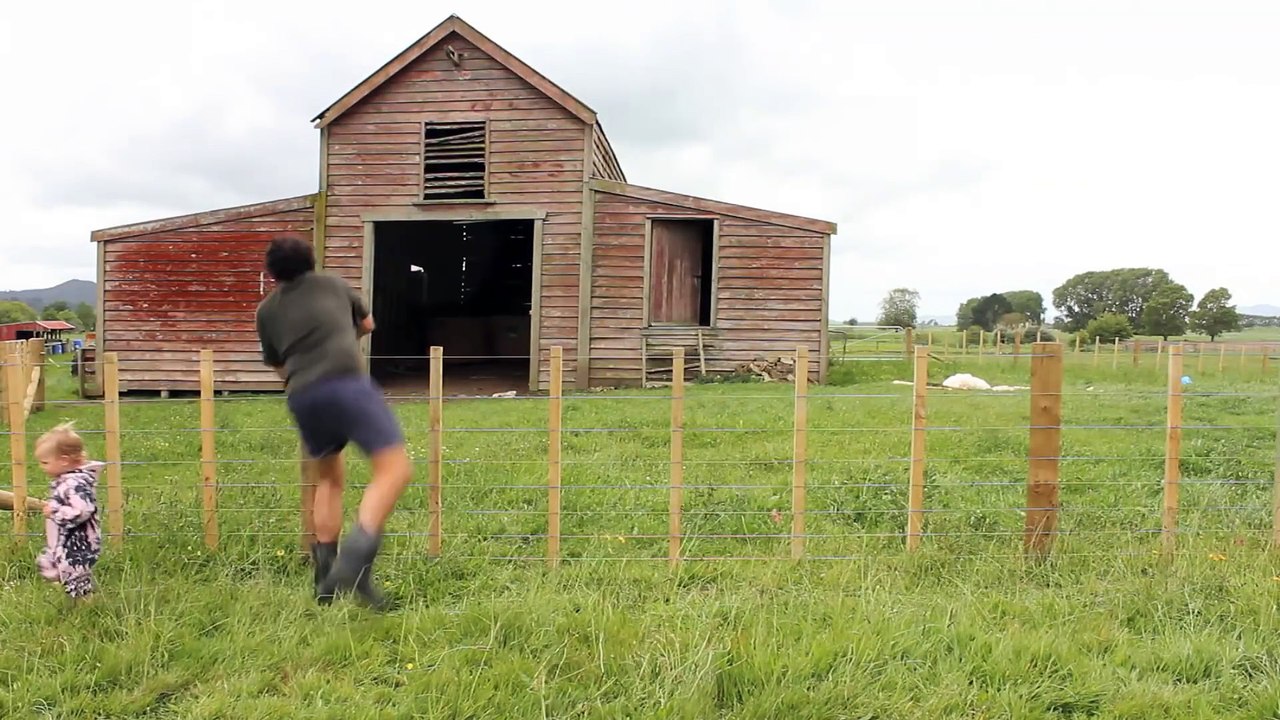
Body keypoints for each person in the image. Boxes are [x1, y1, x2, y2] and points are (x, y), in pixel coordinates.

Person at [254, 236, 413, 610]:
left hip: (302, 396)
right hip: (347, 384)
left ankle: (325, 581)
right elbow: (368, 324)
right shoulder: (334, 285)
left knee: (328, 478)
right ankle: (355, 560)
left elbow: (277, 363)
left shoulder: (266, 311)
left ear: (272, 271)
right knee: (395, 469)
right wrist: (342, 337)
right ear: (310, 260)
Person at [35, 423, 103, 601]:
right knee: (47, 564)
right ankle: (67, 595)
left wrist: (55, 511)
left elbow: (83, 510)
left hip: (77, 543)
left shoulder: (75, 484)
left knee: (77, 579)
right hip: (63, 541)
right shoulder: (66, 481)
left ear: (64, 460)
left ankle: (88, 607)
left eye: (45, 462)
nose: (41, 467)